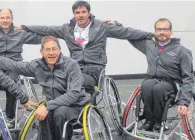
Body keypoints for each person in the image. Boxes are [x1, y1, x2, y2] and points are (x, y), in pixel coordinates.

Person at [0, 36, 91, 140]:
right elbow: (12, 65)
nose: (51, 53)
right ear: (41, 52)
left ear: (60, 50)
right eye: (47, 50)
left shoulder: (71, 65)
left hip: (77, 106)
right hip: (54, 106)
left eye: (54, 49)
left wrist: (47, 106)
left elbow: (73, 94)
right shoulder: (37, 66)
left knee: (58, 112)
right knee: (46, 114)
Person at [16, 1, 154, 95]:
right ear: (74, 15)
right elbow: (46, 29)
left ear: (88, 13)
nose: (80, 15)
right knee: (57, 80)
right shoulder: (66, 29)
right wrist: (24, 27)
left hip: (95, 69)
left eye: (83, 12)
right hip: (74, 67)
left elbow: (126, 32)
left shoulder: (101, 27)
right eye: (77, 12)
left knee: (76, 81)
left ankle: (85, 115)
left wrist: (148, 35)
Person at [0, 8, 43, 127]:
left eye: (8, 17)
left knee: (11, 83)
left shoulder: (20, 33)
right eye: (2, 18)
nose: (5, 20)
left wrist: (27, 28)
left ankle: (10, 118)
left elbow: (42, 37)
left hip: (13, 68)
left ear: (12, 19)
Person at [127, 18, 193, 131]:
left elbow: (188, 78)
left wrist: (185, 102)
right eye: (159, 29)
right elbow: (131, 35)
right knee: (146, 86)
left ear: (171, 32)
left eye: (165, 29)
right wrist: (117, 25)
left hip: (172, 83)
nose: (161, 32)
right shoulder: (149, 45)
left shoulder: (182, 51)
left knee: (159, 89)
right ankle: (148, 120)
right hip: (153, 79)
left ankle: (158, 122)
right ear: (155, 31)